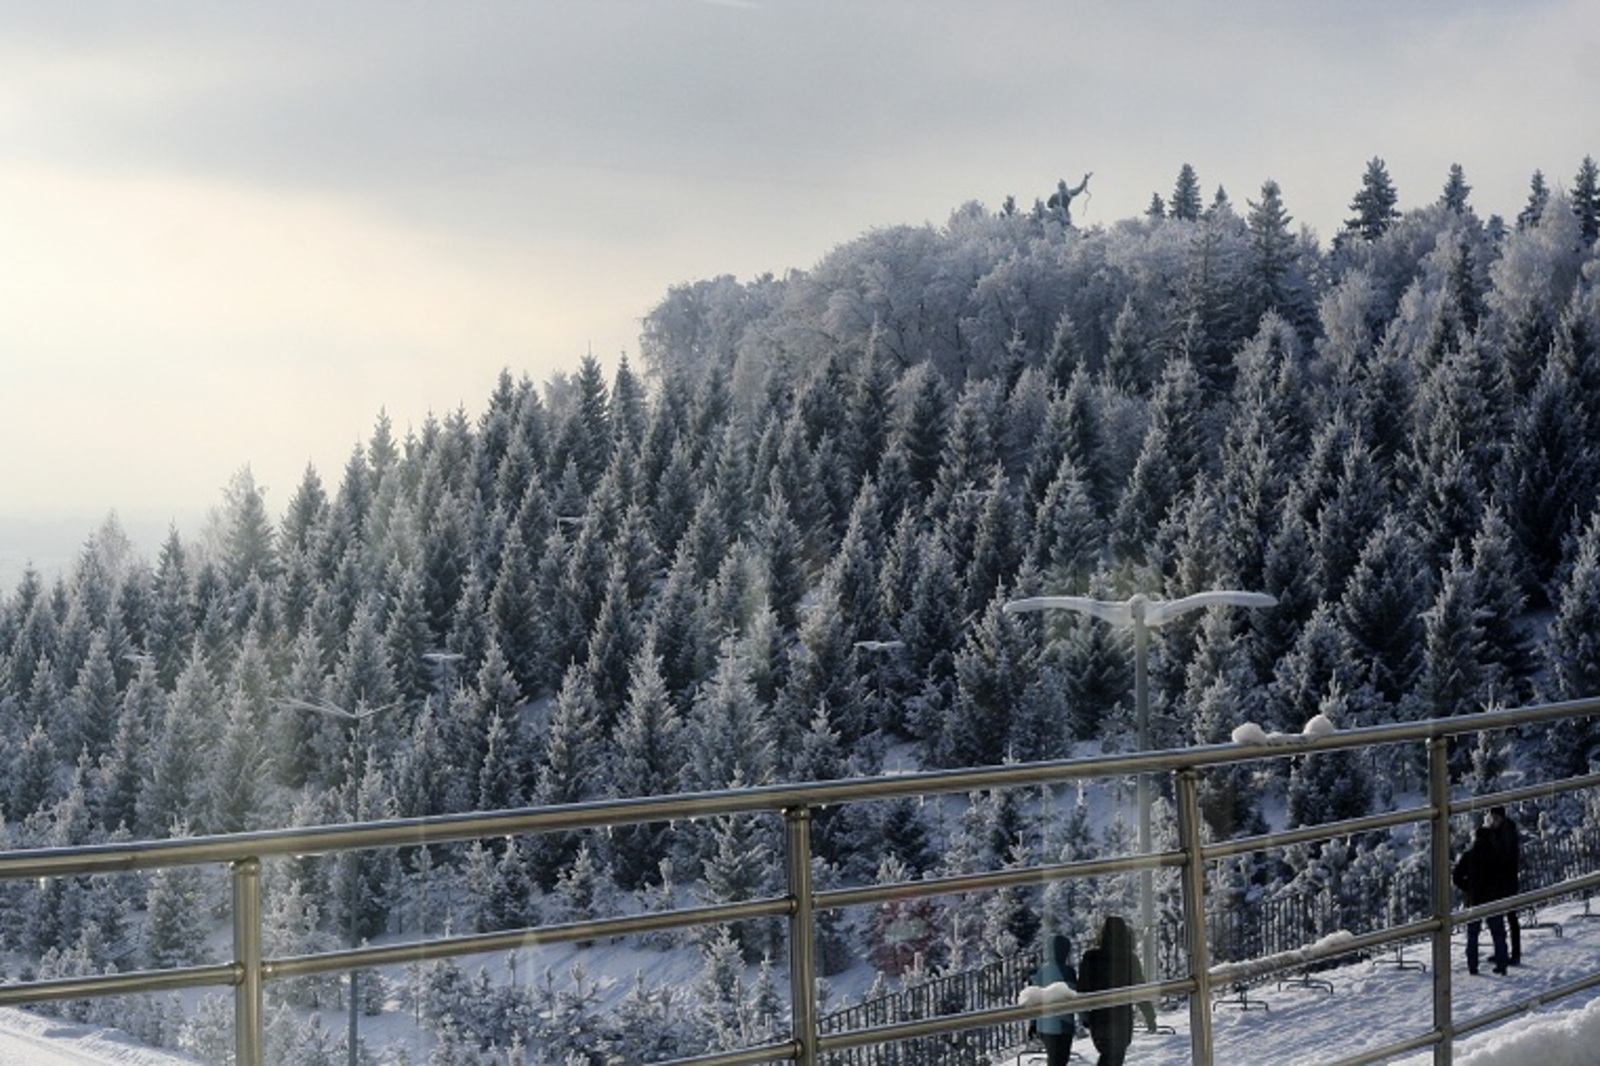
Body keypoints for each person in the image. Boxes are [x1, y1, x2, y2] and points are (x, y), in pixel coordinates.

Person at [1078, 915, 1156, 1066]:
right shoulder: (1130, 959)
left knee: (1107, 1056)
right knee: (1115, 1057)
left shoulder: (1090, 957)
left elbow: (1083, 989)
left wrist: (1085, 1015)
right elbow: (1140, 989)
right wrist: (1149, 1015)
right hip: (1122, 1019)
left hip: (1098, 1018)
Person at [1452, 822, 1512, 975]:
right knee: (1498, 934)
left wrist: (1467, 887)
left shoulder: (1469, 855)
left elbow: (1456, 876)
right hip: (1493, 898)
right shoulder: (1497, 854)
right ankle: (1502, 964)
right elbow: (1505, 875)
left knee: (1472, 935)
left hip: (1475, 899)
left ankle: (1473, 966)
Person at [1027, 932, 1078, 1066]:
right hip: (1064, 1024)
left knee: (1054, 1059)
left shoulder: (1041, 972)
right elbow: (1074, 996)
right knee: (1060, 1059)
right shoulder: (1067, 971)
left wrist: (1033, 1023)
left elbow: (1035, 999)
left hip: (1044, 1025)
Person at [1488, 806, 1523, 965]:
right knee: (1501, 918)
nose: (1493, 822)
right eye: (1492, 818)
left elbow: (1505, 858)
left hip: (1506, 882)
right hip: (1500, 881)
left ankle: (1514, 953)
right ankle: (1502, 951)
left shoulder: (1507, 834)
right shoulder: (1500, 832)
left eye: (1495, 818)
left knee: (1510, 917)